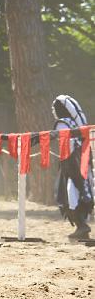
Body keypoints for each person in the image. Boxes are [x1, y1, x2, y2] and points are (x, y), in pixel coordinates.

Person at [52, 95, 92, 239]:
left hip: (71, 163)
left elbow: (67, 146)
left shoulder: (63, 123)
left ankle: (82, 226)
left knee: (67, 195)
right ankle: (81, 227)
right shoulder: (76, 123)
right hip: (80, 161)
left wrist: (68, 167)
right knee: (76, 193)